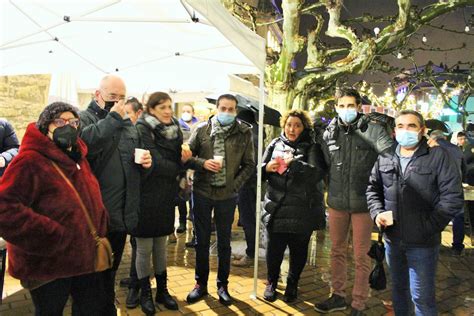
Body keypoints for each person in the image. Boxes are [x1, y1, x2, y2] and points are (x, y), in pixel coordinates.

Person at [0, 102, 109, 315]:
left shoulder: (78, 157)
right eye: (60, 121)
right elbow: (5, 208)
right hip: (48, 264)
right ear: (45, 126)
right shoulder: (29, 160)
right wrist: (51, 235)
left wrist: (101, 221)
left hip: (83, 258)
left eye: (73, 122)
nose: (67, 126)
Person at [367, 110, 463, 316]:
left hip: (423, 243)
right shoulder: (385, 156)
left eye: (411, 126)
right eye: (400, 126)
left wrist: (428, 227)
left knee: (422, 297)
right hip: (393, 239)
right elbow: (373, 189)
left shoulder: (437, 156)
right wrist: (377, 213)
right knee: (399, 293)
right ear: (394, 131)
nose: (405, 130)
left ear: (422, 130)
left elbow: (452, 198)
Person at [315, 88, 393, 316]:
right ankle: (337, 295)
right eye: (342, 105)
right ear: (336, 107)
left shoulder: (372, 129)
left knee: (361, 255)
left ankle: (359, 303)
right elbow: (325, 164)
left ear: (359, 107)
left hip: (363, 204)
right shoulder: (329, 133)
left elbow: (389, 157)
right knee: (336, 251)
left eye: (351, 105)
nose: (346, 110)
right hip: (337, 202)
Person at [79, 75, 152, 315]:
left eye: (122, 98)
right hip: (94, 216)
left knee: (110, 271)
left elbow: (133, 165)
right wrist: (113, 118)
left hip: (121, 214)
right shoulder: (83, 118)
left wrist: (145, 164)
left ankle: (107, 307)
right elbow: (84, 146)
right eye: (113, 97)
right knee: (91, 278)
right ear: (97, 94)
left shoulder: (128, 125)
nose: (119, 103)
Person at [185, 94, 255, 306]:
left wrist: (234, 185)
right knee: (202, 241)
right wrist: (202, 163)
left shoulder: (244, 132)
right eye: (223, 108)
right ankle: (200, 284)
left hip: (227, 196)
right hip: (202, 192)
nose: (226, 112)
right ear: (216, 108)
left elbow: (249, 165)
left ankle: (222, 285)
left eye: (231, 109)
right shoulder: (201, 130)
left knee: (224, 242)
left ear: (235, 111)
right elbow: (188, 156)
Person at [133, 92, 191, 314]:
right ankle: (145, 292)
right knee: (144, 248)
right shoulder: (142, 128)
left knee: (161, 246)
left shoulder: (175, 128)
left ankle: (162, 291)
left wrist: (186, 161)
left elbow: (178, 159)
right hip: (146, 195)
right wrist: (179, 164)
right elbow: (155, 161)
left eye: (169, 106)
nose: (167, 111)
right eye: (162, 107)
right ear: (151, 110)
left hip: (166, 195)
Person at [261, 109, 326, 302]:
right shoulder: (274, 144)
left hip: (302, 211)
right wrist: (266, 167)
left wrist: (295, 165)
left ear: (303, 127)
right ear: (284, 126)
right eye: (289, 124)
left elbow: (316, 174)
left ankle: (292, 283)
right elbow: (259, 173)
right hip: (276, 209)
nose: (292, 129)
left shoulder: (312, 147)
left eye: (297, 125)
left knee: (298, 252)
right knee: (273, 250)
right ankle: (272, 282)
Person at [119, 96, 144, 309]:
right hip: (121, 199)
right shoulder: (118, 134)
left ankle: (136, 284)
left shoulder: (143, 135)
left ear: (138, 114)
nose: (124, 118)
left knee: (138, 242)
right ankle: (132, 276)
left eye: (128, 113)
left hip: (141, 199)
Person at [231, 109, 262, 268]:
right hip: (250, 183)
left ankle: (251, 254)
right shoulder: (256, 132)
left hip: (247, 183)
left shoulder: (250, 136)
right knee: (248, 218)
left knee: (249, 219)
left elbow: (248, 163)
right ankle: (250, 251)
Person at [430, 130, 466, 256]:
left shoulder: (432, 148)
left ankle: (435, 244)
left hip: (437, 187)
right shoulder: (457, 149)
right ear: (445, 138)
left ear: (433, 138)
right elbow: (464, 169)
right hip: (455, 188)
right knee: (458, 218)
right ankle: (457, 247)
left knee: (435, 215)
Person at [176, 104, 199, 235]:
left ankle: (194, 222)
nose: (186, 113)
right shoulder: (177, 127)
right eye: (184, 111)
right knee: (181, 195)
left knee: (193, 196)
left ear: (193, 112)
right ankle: (182, 221)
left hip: (194, 165)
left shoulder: (199, 126)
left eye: (188, 111)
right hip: (182, 165)